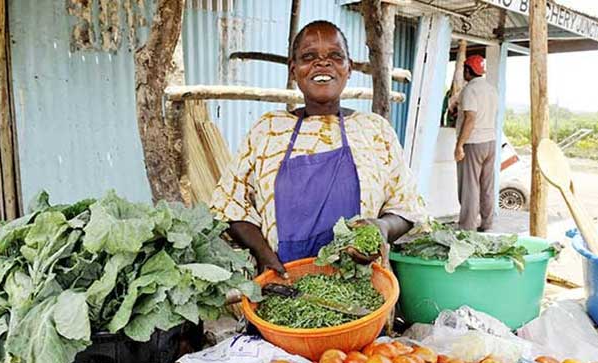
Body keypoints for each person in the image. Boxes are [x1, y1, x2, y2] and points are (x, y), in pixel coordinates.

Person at [210, 20, 427, 275]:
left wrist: (382, 227)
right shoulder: (268, 131)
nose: (322, 63)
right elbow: (230, 207)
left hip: (364, 290)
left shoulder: (374, 131)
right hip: (282, 284)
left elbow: (407, 209)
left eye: (335, 56)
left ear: (349, 69)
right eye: (308, 56)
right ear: (293, 70)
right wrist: (264, 255)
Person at [454, 54, 499, 232]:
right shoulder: (491, 89)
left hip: (473, 143)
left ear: (467, 70)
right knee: (487, 185)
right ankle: (487, 224)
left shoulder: (469, 90)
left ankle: (467, 226)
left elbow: (470, 118)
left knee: (470, 186)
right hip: (490, 141)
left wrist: (459, 145)